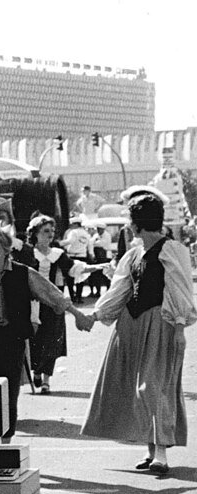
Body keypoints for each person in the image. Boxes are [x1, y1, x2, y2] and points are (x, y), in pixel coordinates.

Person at [82, 192, 197, 474]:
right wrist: (96, 315)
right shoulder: (133, 254)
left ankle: (161, 454)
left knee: (154, 386)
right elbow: (120, 290)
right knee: (137, 387)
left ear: (135, 223)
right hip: (130, 325)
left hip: (160, 322)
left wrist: (179, 328)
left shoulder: (171, 249)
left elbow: (179, 291)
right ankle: (150, 451)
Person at [0, 226, 93, 443]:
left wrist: (78, 315)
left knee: (9, 393)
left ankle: (6, 443)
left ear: (6, 250)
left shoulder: (23, 273)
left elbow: (53, 295)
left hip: (11, 339)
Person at [15, 214, 87, 393]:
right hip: (32, 302)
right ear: (35, 233)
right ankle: (37, 372)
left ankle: (46, 379)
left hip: (54, 303)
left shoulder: (58, 254)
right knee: (35, 339)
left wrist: (99, 266)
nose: (50, 235)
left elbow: (73, 269)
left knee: (52, 340)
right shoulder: (27, 253)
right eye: (46, 231)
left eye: (52, 231)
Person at [60, 215, 95, 303]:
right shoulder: (86, 234)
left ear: (75, 224)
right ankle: (79, 297)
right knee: (80, 277)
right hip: (82, 256)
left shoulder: (73, 232)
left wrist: (58, 243)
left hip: (72, 256)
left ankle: (72, 297)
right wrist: (91, 255)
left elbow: (69, 241)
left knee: (70, 277)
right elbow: (90, 246)